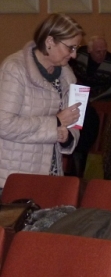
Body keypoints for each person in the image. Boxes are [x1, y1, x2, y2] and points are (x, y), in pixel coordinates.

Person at [0, 14, 84, 188]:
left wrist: (68, 137)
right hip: (13, 176)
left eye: (77, 48)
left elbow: (74, 122)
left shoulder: (67, 76)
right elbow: (4, 125)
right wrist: (56, 122)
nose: (74, 55)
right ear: (50, 41)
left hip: (51, 174)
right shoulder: (15, 69)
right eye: (71, 48)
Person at [70, 36, 111, 102]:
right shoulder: (81, 53)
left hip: (103, 99)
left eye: (104, 51)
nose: (102, 55)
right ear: (89, 50)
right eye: (98, 52)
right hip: (79, 94)